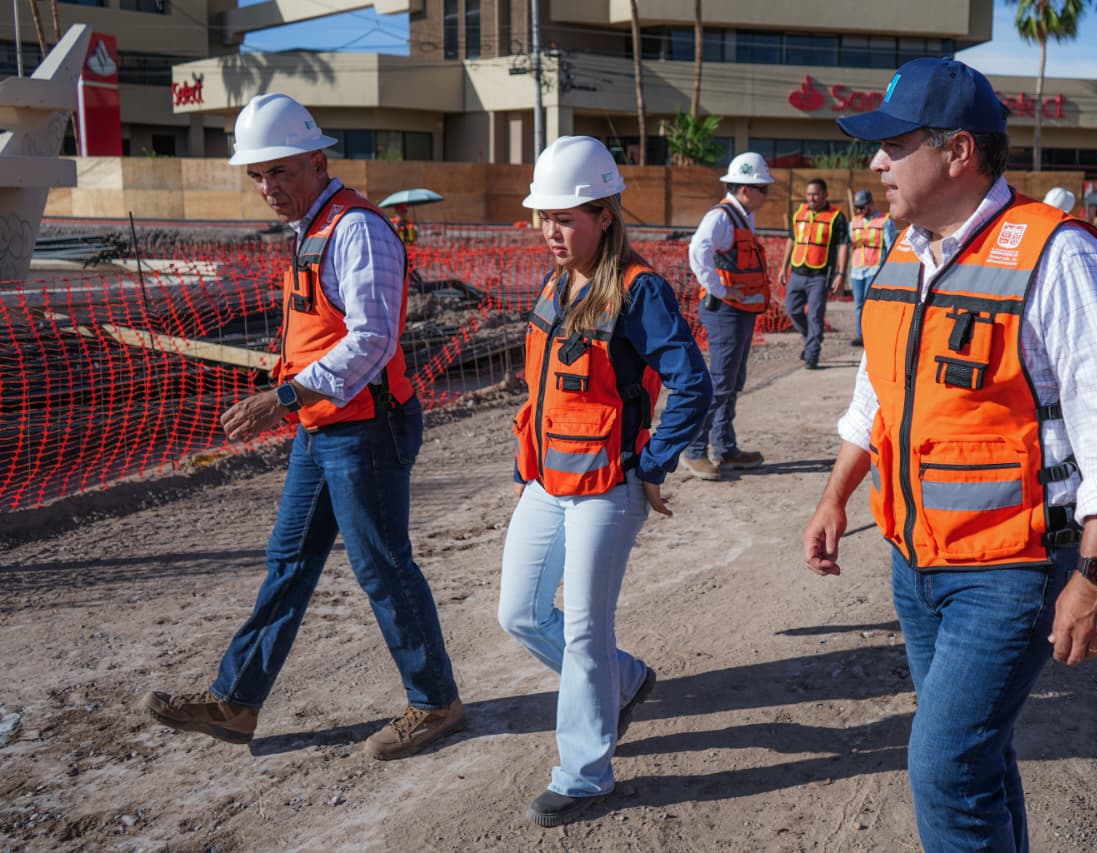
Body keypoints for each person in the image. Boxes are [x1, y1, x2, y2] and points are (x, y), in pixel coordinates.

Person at [800, 58, 1097, 852]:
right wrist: (834, 495)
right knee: (976, 759)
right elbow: (875, 396)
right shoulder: (902, 251)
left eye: (895, 145)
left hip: (1011, 570)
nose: (876, 164)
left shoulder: (1056, 256)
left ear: (958, 151)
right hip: (915, 562)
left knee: (944, 769)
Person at [142, 93, 464, 761]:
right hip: (323, 425)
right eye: (258, 175)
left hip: (366, 428)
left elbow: (373, 340)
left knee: (383, 567)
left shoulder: (357, 229)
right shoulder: (313, 226)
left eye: (280, 172)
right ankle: (236, 700)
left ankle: (436, 701)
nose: (268, 188)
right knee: (289, 562)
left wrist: (282, 396)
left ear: (318, 162)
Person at [498, 136, 711, 827]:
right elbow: (546, 387)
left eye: (565, 219)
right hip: (546, 478)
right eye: (545, 218)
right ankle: (625, 679)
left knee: (586, 631)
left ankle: (584, 773)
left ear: (604, 216)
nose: (550, 231)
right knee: (520, 613)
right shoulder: (558, 282)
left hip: (608, 487)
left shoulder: (638, 290)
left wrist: (652, 463)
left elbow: (692, 382)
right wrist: (527, 459)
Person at [680, 151, 774, 481]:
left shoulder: (743, 216)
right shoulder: (721, 217)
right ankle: (695, 450)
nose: (767, 195)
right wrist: (720, 289)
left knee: (733, 381)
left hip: (740, 309)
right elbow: (698, 251)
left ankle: (725, 448)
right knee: (720, 382)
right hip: (725, 310)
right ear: (746, 189)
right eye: (763, 188)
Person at [779, 178, 849, 369]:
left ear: (825, 195)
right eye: (809, 194)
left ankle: (812, 355)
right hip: (797, 273)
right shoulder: (799, 213)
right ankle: (811, 338)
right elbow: (791, 240)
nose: (811, 198)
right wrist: (783, 267)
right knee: (792, 309)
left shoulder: (836, 217)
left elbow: (843, 245)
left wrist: (841, 274)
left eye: (816, 194)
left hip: (820, 275)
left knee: (815, 315)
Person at [846, 187, 896, 347]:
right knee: (859, 304)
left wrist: (890, 270)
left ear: (870, 204)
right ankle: (861, 335)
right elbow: (849, 244)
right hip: (857, 269)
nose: (859, 210)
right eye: (857, 207)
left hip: (876, 269)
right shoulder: (854, 222)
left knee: (870, 302)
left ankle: (872, 333)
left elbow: (891, 246)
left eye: (862, 207)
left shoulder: (885, 221)